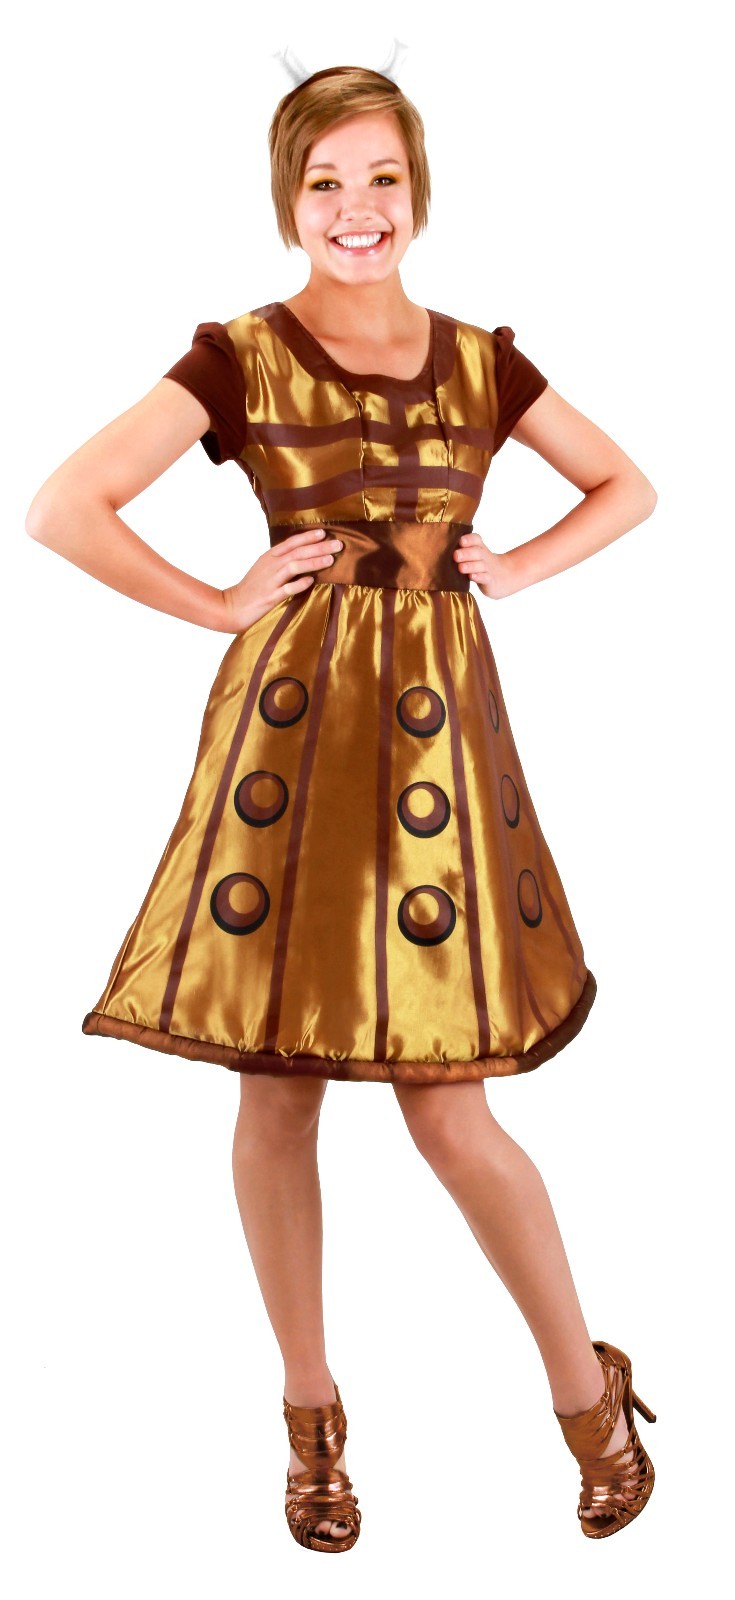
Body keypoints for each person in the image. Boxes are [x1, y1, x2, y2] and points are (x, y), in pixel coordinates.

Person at [25, 60, 659, 1552]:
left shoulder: (481, 359)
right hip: (294, 746)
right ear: (287, 199)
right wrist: (217, 600)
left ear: (417, 190)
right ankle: (311, 1421)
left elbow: (627, 486)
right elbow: (61, 506)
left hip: (438, 755)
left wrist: (515, 566)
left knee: (452, 1109)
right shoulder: (241, 355)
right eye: (325, 183)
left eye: (382, 178)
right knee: (277, 1087)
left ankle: (590, 1399)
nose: (356, 208)